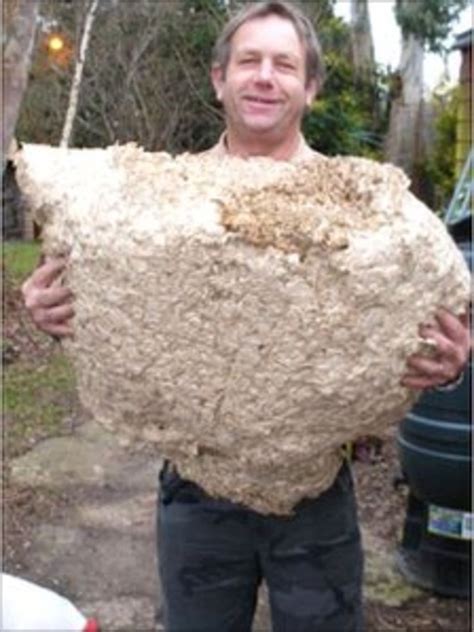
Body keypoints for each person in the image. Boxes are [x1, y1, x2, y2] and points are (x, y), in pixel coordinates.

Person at [21, 2, 470, 631]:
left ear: (310, 87)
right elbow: (100, 291)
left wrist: (448, 365)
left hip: (317, 490)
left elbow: (422, 316)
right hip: (197, 491)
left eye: (284, 64)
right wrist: (50, 307)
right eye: (249, 61)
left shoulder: (370, 212)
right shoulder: (155, 207)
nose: (264, 76)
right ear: (219, 78)